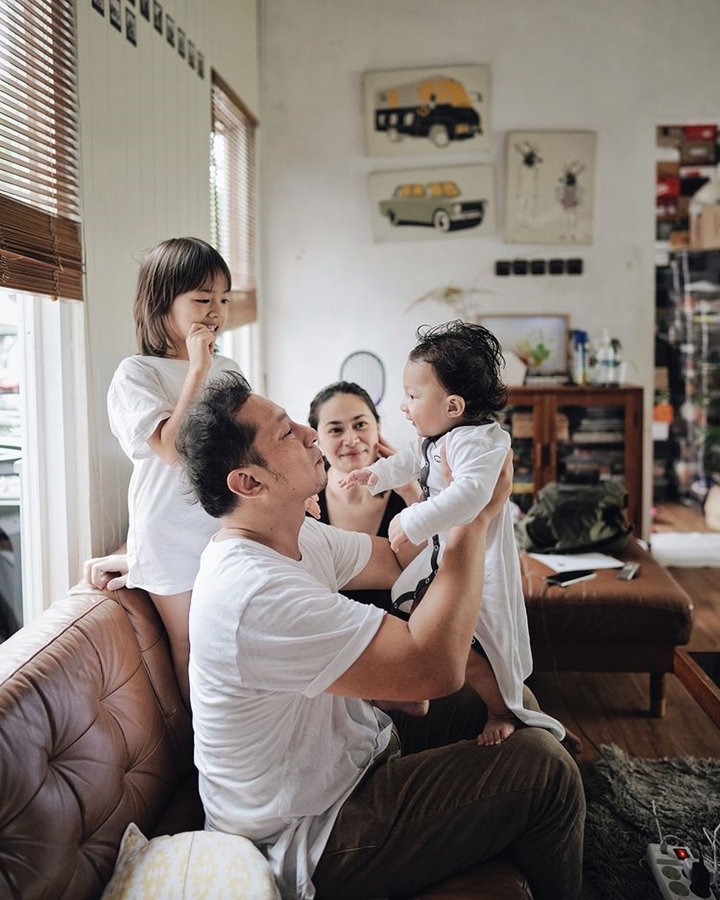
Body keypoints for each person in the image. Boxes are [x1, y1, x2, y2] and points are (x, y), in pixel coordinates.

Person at [175, 369, 585, 900]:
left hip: (355, 755)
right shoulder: (254, 592)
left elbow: (394, 559)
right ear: (248, 483)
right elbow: (434, 668)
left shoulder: (293, 536)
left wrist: (445, 491)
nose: (309, 434)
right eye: (286, 432)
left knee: (511, 698)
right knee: (544, 772)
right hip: (310, 830)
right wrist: (474, 516)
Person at [339, 320, 565, 747]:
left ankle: (503, 710)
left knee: (480, 646)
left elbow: (472, 496)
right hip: (445, 555)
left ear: (453, 405)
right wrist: (375, 475)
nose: (404, 406)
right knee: (424, 623)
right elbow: (408, 461)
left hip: (479, 562)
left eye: (413, 395)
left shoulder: (477, 443)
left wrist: (413, 520)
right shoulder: (439, 437)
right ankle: (416, 688)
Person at [106, 236, 241, 706]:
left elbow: (246, 446)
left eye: (224, 299)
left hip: (225, 525)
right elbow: (169, 448)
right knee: (191, 645)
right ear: (162, 302)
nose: (216, 311)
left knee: (233, 635)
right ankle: (205, 745)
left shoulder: (228, 367)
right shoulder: (135, 374)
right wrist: (197, 369)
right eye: (202, 299)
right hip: (169, 535)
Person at [307, 380, 423, 612]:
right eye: (336, 430)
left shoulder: (414, 493)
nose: (351, 440)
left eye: (360, 425)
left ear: (377, 426)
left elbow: (433, 574)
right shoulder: (304, 499)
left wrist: (412, 493)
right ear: (317, 439)